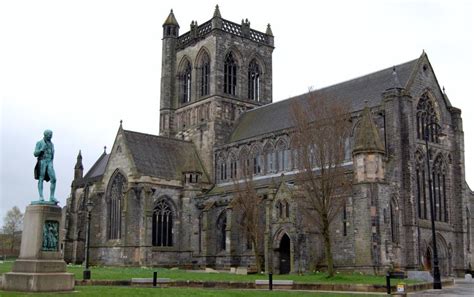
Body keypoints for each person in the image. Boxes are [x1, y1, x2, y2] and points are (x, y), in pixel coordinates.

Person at [34, 130, 57, 203]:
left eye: (51, 134)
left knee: (54, 179)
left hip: (49, 162)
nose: (51, 136)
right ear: (45, 135)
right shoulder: (39, 143)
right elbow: (35, 153)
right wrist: (41, 149)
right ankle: (41, 196)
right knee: (41, 178)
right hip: (42, 161)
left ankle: (52, 197)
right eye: (49, 135)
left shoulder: (52, 144)